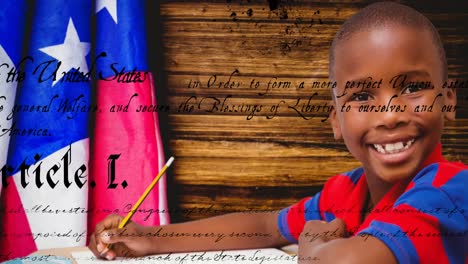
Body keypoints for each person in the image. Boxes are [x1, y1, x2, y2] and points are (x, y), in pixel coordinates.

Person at [88, 2, 467, 263]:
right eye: (363, 95)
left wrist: (312, 243)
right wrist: (152, 239)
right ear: (336, 120)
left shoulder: (451, 191)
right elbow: (264, 226)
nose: (389, 114)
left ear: (448, 101)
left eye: (412, 88)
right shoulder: (346, 193)